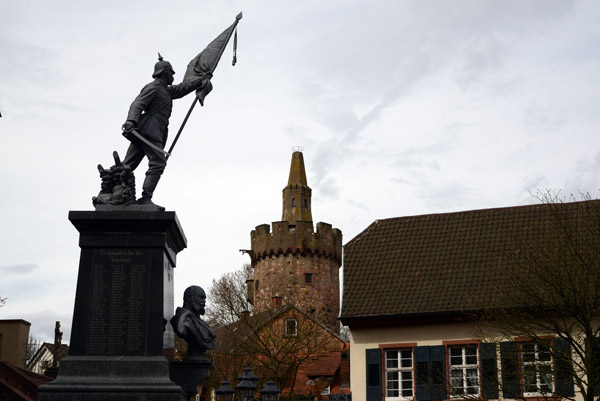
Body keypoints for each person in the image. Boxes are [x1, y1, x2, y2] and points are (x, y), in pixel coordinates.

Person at [121, 54, 211, 210]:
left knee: (128, 165)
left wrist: (202, 78)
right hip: (149, 130)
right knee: (158, 163)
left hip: (151, 131)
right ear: (164, 73)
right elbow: (137, 104)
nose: (173, 75)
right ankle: (145, 198)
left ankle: (112, 192)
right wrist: (131, 121)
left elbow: (183, 88)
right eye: (171, 72)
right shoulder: (154, 87)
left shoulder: (167, 91)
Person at [171, 285, 216, 360]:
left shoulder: (201, 322)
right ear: (189, 298)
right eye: (201, 297)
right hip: (193, 359)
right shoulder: (181, 318)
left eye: (205, 298)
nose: (204, 301)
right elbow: (181, 332)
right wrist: (184, 316)